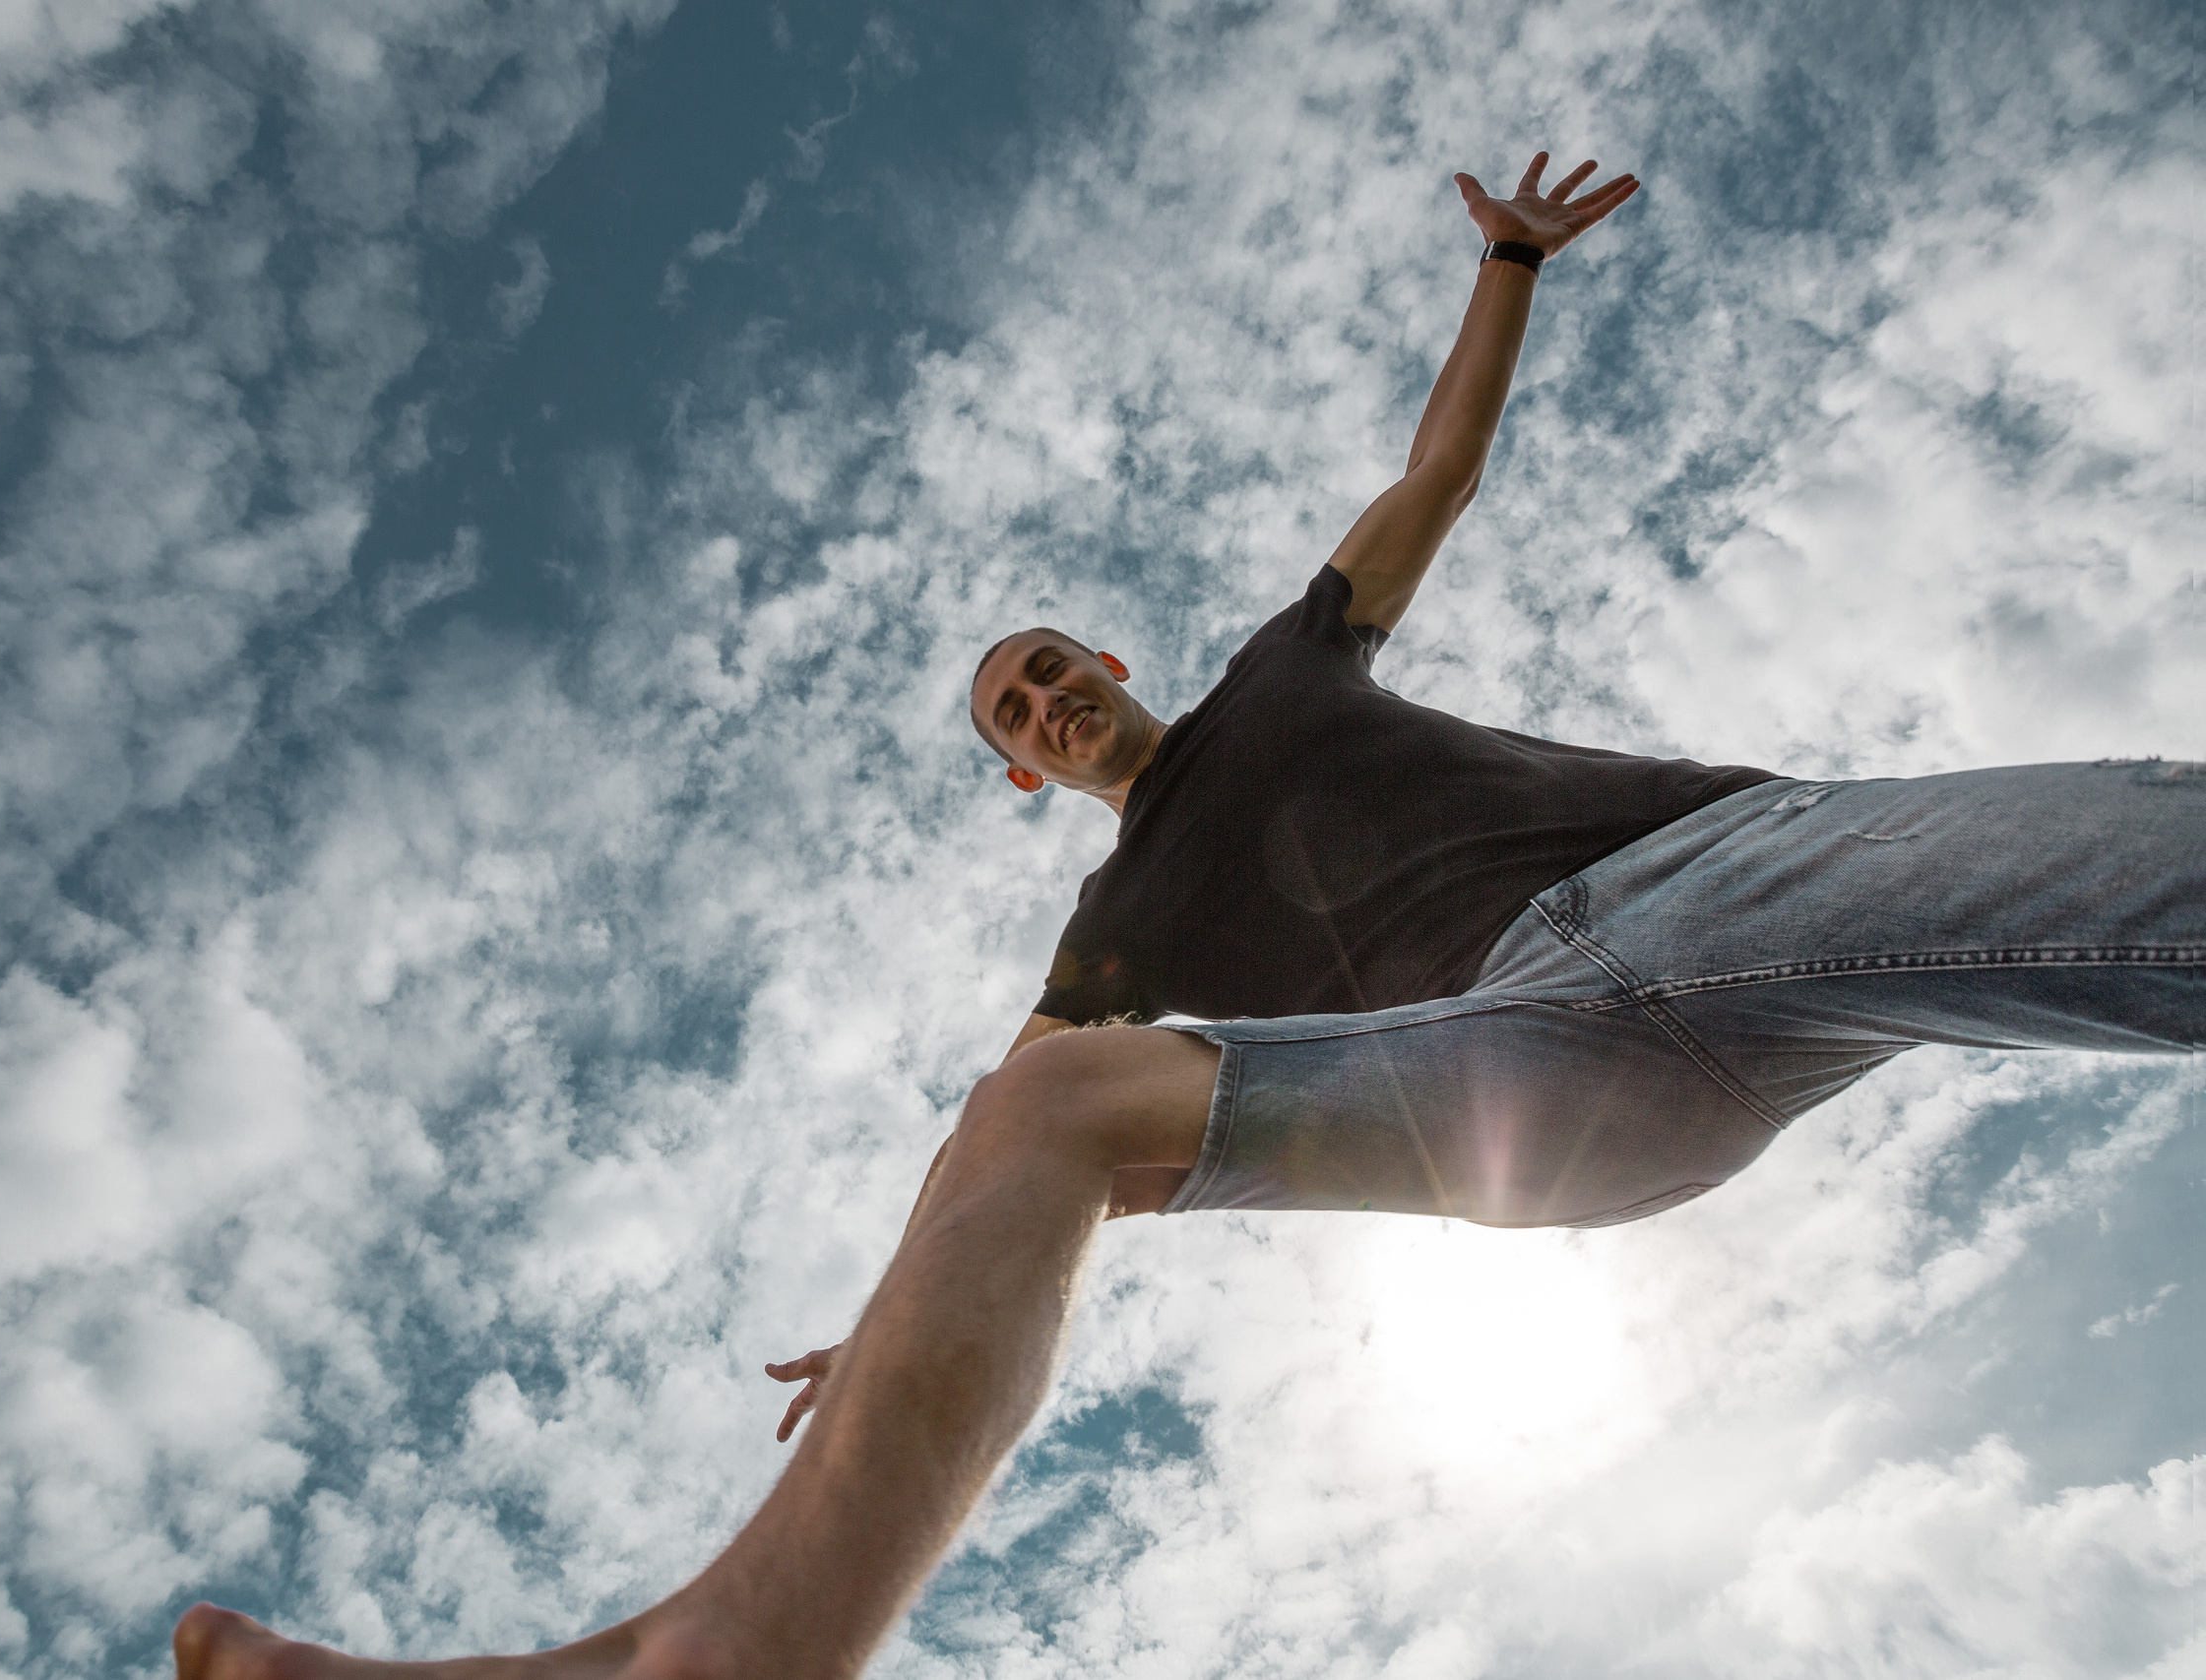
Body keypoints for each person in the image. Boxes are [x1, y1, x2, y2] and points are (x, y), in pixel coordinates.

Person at [173, 153, 2202, 1680]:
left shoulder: (1283, 672)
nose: (1047, 698)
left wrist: (1499, 269)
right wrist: (891, 1321)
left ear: (1110, 660)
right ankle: (701, 1651)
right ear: (1017, 773)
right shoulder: (1106, 944)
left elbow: (1437, 472)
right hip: (1523, 1081)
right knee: (1034, 1114)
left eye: (1052, 661)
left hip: (1714, 882)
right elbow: (998, 1137)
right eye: (1012, 710)